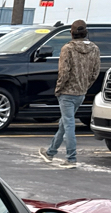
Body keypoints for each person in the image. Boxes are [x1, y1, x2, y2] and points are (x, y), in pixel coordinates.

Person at [39, 20, 100, 166]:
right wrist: (85, 85)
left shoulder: (67, 48)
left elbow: (64, 71)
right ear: (86, 32)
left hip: (67, 92)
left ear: (72, 33)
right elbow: (95, 72)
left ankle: (71, 158)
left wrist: (59, 88)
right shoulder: (95, 49)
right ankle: (50, 152)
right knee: (65, 123)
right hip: (81, 92)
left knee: (69, 125)